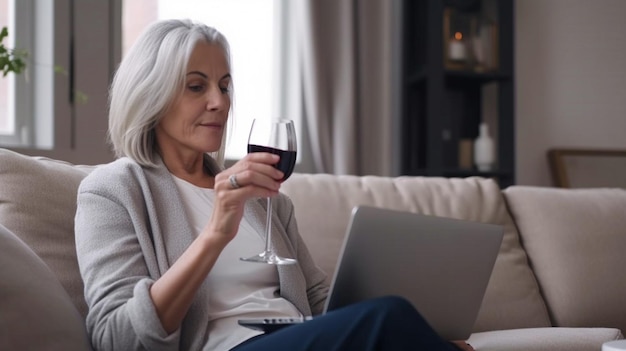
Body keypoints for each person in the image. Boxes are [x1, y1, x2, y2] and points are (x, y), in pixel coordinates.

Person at [74, 18, 475, 351]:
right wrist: (215, 234)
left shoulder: (263, 198)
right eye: (197, 86)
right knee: (389, 315)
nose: (220, 101)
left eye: (225, 86)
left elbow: (318, 298)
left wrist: (422, 337)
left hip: (298, 338)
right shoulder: (112, 191)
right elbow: (117, 339)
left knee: (400, 322)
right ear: (151, 95)